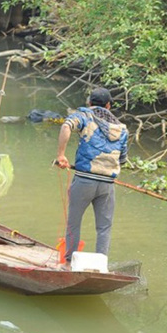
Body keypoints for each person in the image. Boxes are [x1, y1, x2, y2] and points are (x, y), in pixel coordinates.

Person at [55, 87, 129, 266]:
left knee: (74, 223)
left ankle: (68, 263)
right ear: (109, 106)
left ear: (89, 103)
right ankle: (100, 265)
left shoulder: (85, 116)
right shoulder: (121, 129)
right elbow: (123, 160)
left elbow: (66, 126)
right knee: (104, 228)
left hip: (84, 181)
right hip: (107, 185)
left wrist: (61, 155)